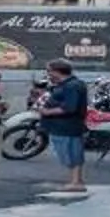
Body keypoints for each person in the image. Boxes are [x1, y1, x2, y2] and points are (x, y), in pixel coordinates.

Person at [37, 58, 89, 197]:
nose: (48, 74)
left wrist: (47, 111)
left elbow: (70, 107)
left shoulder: (71, 86)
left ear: (56, 71)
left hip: (67, 126)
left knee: (70, 152)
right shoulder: (69, 84)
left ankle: (76, 182)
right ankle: (75, 181)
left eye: (49, 71)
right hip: (65, 125)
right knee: (71, 152)